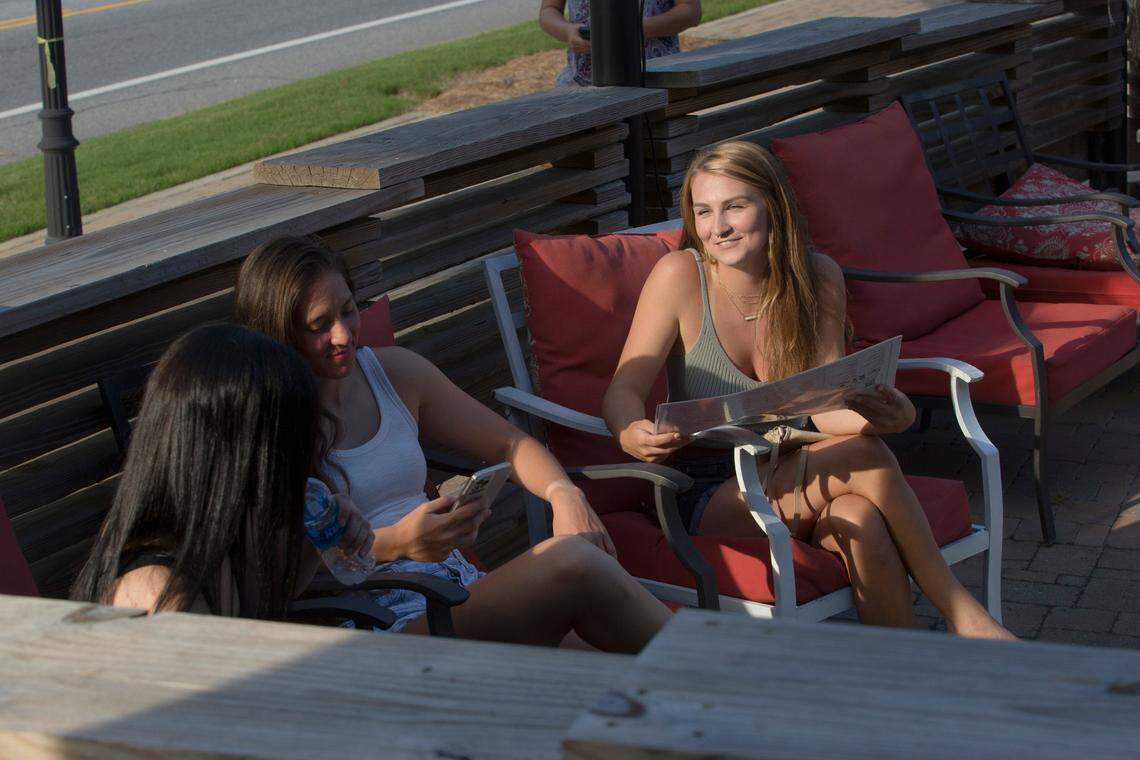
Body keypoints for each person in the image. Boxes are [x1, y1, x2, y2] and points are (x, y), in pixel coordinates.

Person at [601, 141, 1014, 640]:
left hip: (802, 470)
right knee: (868, 457)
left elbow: (828, 411)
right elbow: (624, 387)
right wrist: (631, 432)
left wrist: (892, 414)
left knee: (859, 515)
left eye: (735, 206)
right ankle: (962, 613)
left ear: (772, 204)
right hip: (712, 490)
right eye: (704, 211)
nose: (718, 227)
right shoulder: (679, 276)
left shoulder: (817, 278)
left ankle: (900, 681)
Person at [233, 237, 670, 652]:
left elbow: (511, 444)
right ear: (280, 334)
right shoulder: (267, 422)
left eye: (348, 311)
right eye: (319, 325)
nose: (344, 335)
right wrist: (399, 542)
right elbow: (280, 564)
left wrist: (564, 494)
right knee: (574, 564)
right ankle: (725, 665)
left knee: (620, 660)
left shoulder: (393, 374)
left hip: (454, 589)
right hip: (372, 622)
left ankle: (723, 680)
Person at [71, 324, 372, 617]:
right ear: (241, 456)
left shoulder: (207, 537)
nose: (300, 465)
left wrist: (315, 537)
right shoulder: (162, 592)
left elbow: (269, 605)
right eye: (291, 446)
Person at [539, 0, 701, 87]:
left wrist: (638, 29)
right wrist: (568, 32)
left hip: (658, 80)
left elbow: (691, 10)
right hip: (583, 84)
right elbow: (548, 10)